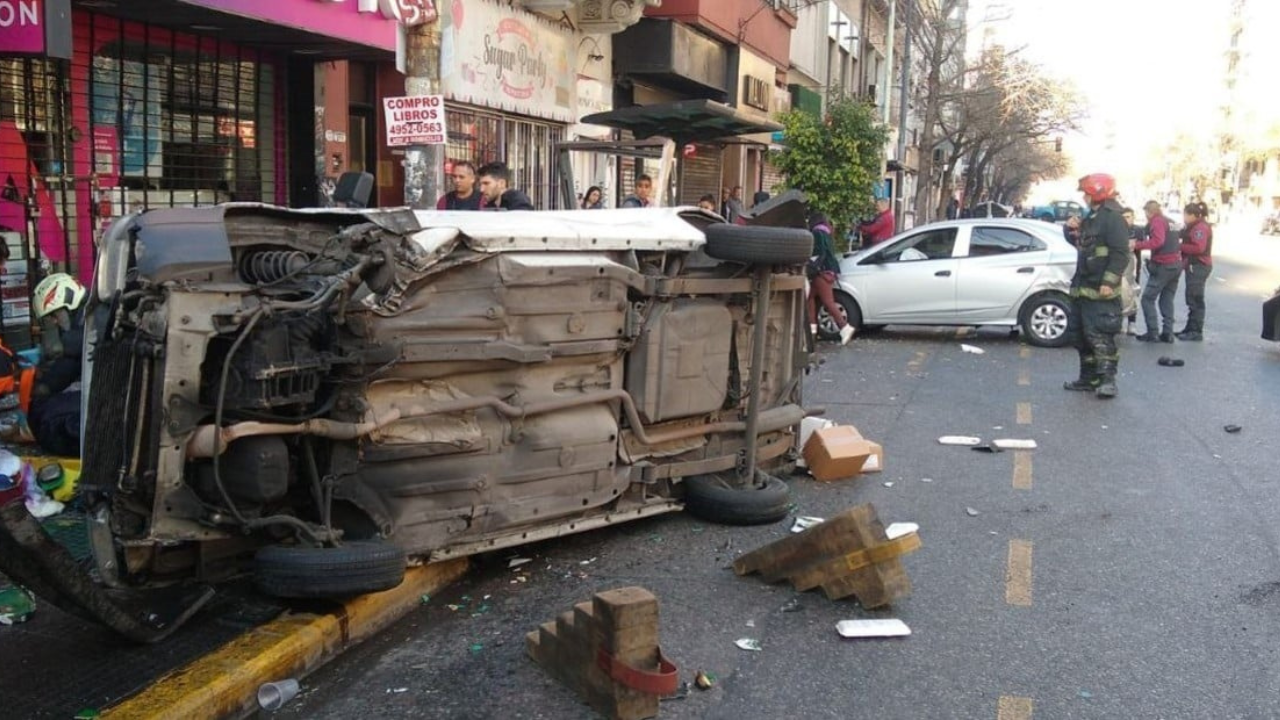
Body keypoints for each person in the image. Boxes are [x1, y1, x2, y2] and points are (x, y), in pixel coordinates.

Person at [1063, 173, 1130, 399]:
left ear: (1098, 194)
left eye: (1086, 193)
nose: (1083, 197)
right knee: (1080, 335)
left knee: (1100, 335)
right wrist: (1069, 229)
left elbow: (1121, 254)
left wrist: (1109, 282)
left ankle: (1107, 380)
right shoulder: (1092, 217)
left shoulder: (1113, 218)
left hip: (1100, 291)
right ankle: (1088, 378)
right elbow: (1081, 244)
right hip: (1083, 286)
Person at [28, 273, 86, 456]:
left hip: (111, 401)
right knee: (41, 412)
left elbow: (69, 361)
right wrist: (45, 387)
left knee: (47, 420)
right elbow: (67, 366)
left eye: (54, 315)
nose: (54, 321)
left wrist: (43, 388)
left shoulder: (92, 319)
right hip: (106, 396)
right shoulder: (84, 319)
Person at [1133, 201, 1181, 343]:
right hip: (1176, 264)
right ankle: (1168, 333)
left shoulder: (1157, 222)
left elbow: (1158, 241)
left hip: (1163, 265)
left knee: (1147, 298)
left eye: (1146, 213)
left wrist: (1137, 245)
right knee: (1167, 299)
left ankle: (1152, 332)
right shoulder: (1170, 221)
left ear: (1149, 212)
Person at [806, 212, 855, 346]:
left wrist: (812, 265)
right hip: (829, 270)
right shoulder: (826, 232)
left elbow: (818, 253)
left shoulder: (816, 232)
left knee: (827, 302)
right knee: (810, 298)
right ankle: (812, 330)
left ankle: (844, 327)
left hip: (821, 271)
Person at [1177, 201, 1213, 341]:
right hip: (1193, 265)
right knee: (1191, 297)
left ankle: (1196, 331)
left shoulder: (1200, 228)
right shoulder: (1193, 226)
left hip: (1199, 265)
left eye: (1185, 215)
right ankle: (1190, 328)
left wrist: (1180, 246)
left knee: (1195, 298)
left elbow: (1199, 248)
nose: (1184, 218)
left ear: (1192, 215)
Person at [1119, 207, 1140, 335]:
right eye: (1124, 217)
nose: (1126, 219)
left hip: (1134, 266)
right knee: (1121, 293)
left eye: (1128, 216)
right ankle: (1120, 320)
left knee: (1133, 292)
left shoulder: (1137, 230)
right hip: (1121, 265)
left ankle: (1132, 323)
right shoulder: (1118, 230)